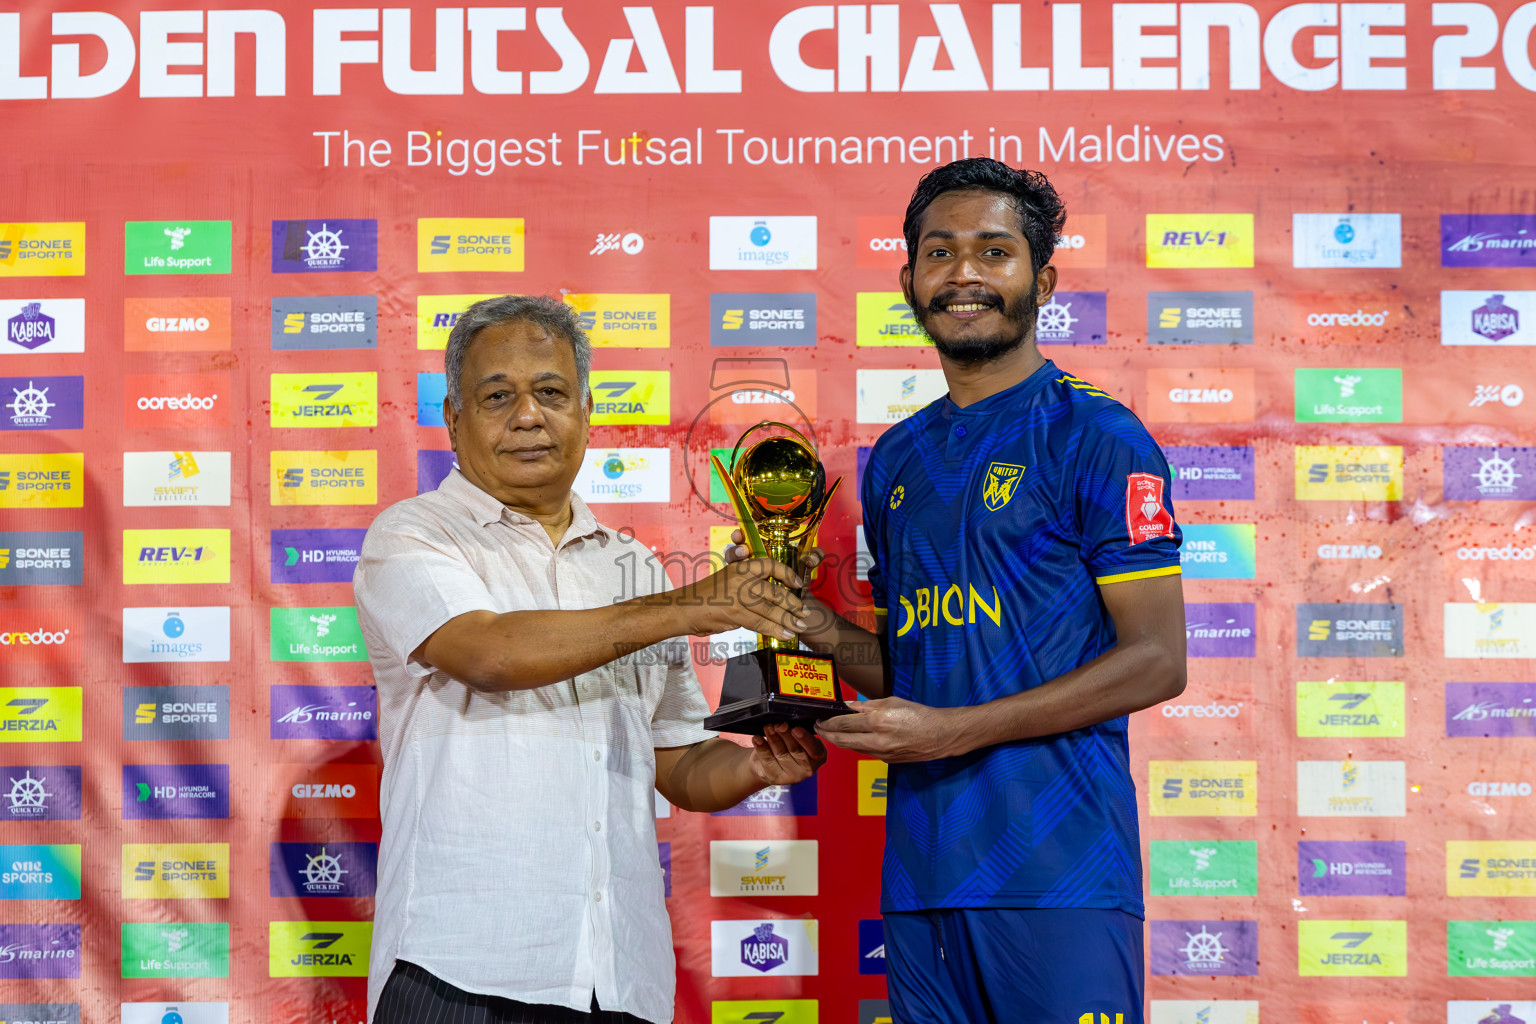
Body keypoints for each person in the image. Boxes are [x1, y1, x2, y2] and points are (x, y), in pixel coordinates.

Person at [353, 295, 827, 1024]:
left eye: (550, 392)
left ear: (585, 408)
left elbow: (677, 764)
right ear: (453, 418)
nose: (528, 416)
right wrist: (698, 604)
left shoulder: (631, 565)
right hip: (460, 970)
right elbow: (491, 651)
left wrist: (758, 766)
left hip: (619, 974)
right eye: (497, 396)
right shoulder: (414, 536)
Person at [796, 158, 1187, 1022]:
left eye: (993, 251)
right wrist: (809, 624)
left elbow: (1159, 662)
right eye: (940, 252)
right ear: (909, 280)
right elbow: (920, 667)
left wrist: (948, 733)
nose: (964, 273)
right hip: (923, 878)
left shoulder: (1097, 435)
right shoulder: (897, 458)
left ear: (1041, 278)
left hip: (1061, 874)